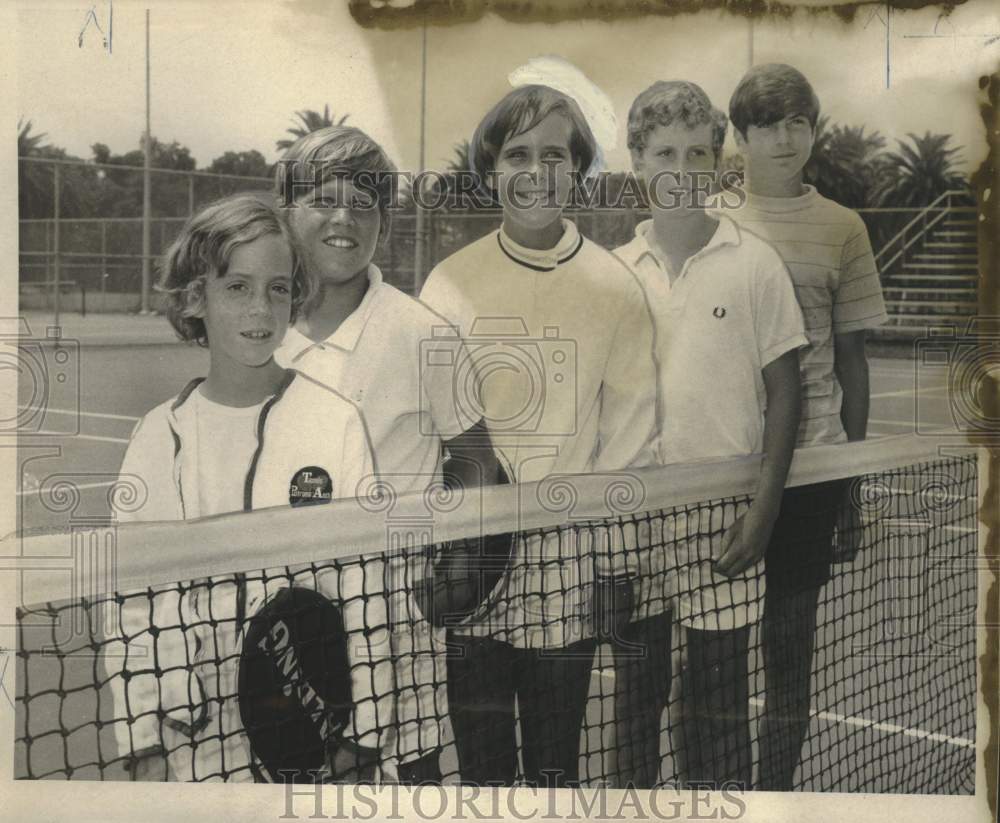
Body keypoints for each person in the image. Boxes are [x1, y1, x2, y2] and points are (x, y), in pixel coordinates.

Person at [419, 83, 659, 787]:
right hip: (472, 575)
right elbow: (429, 440)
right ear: (490, 169)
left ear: (577, 167)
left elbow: (629, 441)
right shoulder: (448, 284)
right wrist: (447, 557)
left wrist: (614, 566)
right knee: (485, 777)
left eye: (554, 153)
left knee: (556, 773)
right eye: (517, 153)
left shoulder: (616, 288)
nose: (535, 170)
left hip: (568, 575)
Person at [107, 192, 391, 783]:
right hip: (192, 749)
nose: (261, 308)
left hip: (310, 735)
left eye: (279, 288)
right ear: (195, 298)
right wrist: (142, 741)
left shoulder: (334, 421)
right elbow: (129, 607)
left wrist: (362, 739)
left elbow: (366, 594)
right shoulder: (157, 437)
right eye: (237, 287)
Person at [272, 125, 501, 785]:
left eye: (365, 203)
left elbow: (476, 460)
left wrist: (452, 574)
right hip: (283, 612)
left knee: (413, 774)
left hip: (391, 618)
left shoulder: (425, 331)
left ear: (384, 222)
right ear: (286, 211)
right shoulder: (261, 327)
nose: (345, 217)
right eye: (323, 199)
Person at [612, 80, 807, 789]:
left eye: (698, 152)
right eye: (664, 152)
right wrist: (609, 534)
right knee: (635, 696)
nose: (682, 169)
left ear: (718, 162)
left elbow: (787, 389)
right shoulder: (614, 270)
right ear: (637, 161)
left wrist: (765, 508)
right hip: (638, 523)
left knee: (717, 700)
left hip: (726, 521)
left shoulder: (755, 263)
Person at [728, 63, 888, 790]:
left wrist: (848, 483)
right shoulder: (710, 217)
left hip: (813, 469)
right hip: (719, 469)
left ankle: (772, 797)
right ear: (742, 136)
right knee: (715, 652)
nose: (786, 138)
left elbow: (851, 363)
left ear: (814, 131)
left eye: (799, 123)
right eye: (769, 124)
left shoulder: (842, 227)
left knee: (787, 648)